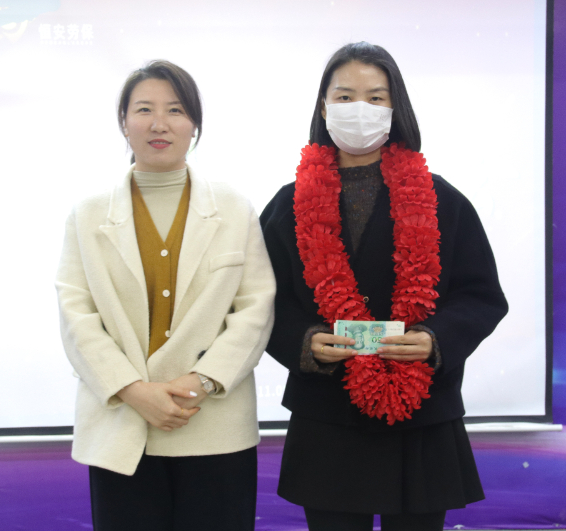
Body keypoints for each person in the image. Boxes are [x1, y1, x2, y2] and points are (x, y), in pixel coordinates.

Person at [260, 42, 508, 531]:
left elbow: (481, 297)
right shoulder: (288, 205)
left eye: (375, 98)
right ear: (323, 107)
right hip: (327, 414)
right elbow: (263, 301)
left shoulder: (443, 200)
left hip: (421, 417)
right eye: (344, 97)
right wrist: (304, 342)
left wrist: (434, 339)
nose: (360, 110)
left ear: (396, 109)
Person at [56, 60, 275, 531]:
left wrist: (202, 382)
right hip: (122, 425)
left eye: (175, 110)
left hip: (212, 425)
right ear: (124, 122)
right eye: (144, 110)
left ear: (194, 123)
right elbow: (76, 315)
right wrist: (134, 391)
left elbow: (255, 308)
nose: (159, 123)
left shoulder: (233, 207)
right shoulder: (88, 214)